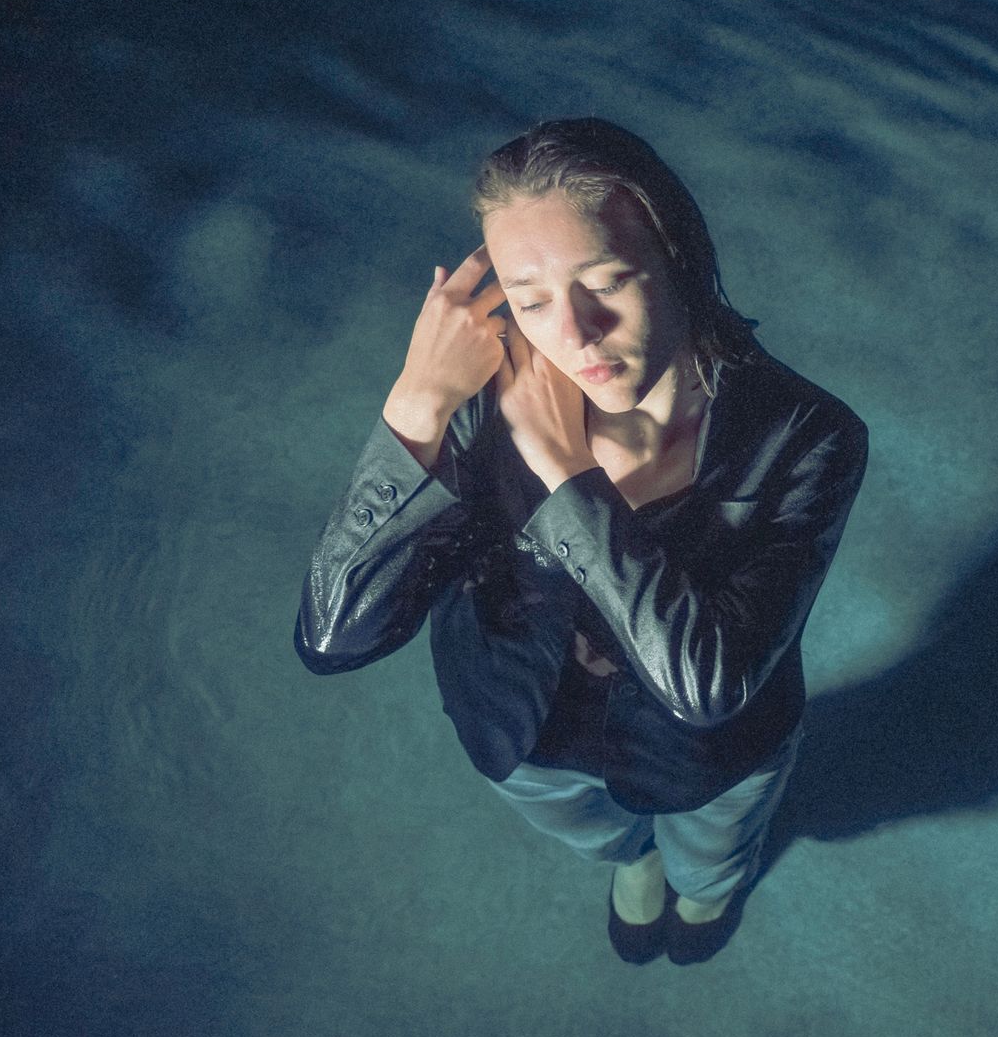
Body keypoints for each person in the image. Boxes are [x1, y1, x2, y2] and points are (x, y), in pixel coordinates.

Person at [294, 118, 869, 966]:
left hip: (708, 756)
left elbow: (707, 688)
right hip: (522, 730)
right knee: (604, 837)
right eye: (530, 302)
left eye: (606, 281)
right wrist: (416, 404)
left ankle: (707, 888)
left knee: (714, 855)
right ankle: (635, 860)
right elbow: (332, 638)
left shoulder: (808, 432)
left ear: (678, 257)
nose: (575, 334)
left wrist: (567, 475)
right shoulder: (483, 403)